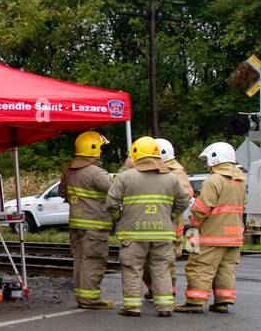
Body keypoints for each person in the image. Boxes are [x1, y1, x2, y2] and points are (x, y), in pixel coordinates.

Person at [105, 137, 189, 316]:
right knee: (161, 268)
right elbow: (183, 201)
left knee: (132, 269)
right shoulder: (171, 178)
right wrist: (170, 215)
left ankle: (132, 307)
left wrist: (119, 217)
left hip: (133, 234)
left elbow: (111, 202)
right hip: (162, 233)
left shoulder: (126, 177)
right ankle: (165, 306)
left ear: (135, 154)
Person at [177, 142, 247, 314]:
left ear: (215, 158)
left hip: (213, 236)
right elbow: (242, 206)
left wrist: (194, 222)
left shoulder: (214, 180)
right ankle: (222, 301)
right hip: (234, 236)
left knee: (201, 267)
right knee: (226, 268)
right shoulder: (239, 182)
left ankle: (195, 302)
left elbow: (202, 208)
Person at [58, 131, 115, 309]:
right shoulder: (96, 172)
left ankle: (82, 297)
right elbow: (116, 191)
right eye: (100, 148)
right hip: (95, 225)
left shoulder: (69, 171)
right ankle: (90, 299)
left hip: (76, 223)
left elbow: (62, 193)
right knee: (93, 261)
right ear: (94, 148)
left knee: (80, 260)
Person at [155, 138, 194, 259]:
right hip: (159, 226)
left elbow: (186, 194)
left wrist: (169, 211)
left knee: (166, 265)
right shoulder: (160, 171)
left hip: (170, 229)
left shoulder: (176, 173)